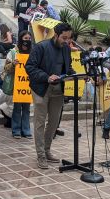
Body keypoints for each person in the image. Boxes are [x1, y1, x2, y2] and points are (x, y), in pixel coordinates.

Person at [25, 23, 75, 169]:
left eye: (69, 38)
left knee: (53, 122)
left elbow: (68, 67)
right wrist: (47, 77)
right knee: (40, 122)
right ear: (56, 35)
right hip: (41, 88)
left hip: (58, 89)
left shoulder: (66, 48)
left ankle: (47, 151)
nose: (66, 41)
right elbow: (30, 67)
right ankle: (40, 155)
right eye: (64, 38)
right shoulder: (41, 47)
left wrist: (75, 75)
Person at [5, 31, 33, 139]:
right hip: (17, 85)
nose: (27, 41)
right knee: (17, 108)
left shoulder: (33, 52)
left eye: (29, 39)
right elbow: (6, 68)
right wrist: (13, 64)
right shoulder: (13, 52)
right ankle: (16, 130)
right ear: (21, 39)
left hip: (28, 85)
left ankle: (26, 130)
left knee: (26, 108)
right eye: (25, 38)